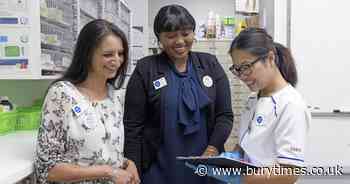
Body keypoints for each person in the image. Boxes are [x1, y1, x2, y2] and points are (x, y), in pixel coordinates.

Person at [123, 4, 233, 184]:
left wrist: (212, 151)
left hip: (206, 165)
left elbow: (225, 115)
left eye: (186, 33)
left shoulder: (209, 64)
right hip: (159, 170)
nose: (180, 41)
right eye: (171, 36)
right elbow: (133, 126)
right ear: (159, 38)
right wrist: (132, 165)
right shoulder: (146, 69)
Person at [34, 19, 140, 184]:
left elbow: (102, 152)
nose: (117, 61)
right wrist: (108, 172)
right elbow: (47, 168)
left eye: (120, 53)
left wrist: (127, 163)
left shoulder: (115, 96)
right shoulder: (62, 94)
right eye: (108, 54)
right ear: (87, 54)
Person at [228, 28, 311, 184]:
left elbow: (288, 173)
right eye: (237, 69)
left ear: (270, 58)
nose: (242, 76)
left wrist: (240, 179)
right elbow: (247, 143)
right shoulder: (253, 99)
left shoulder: (290, 105)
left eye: (246, 66)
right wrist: (230, 158)